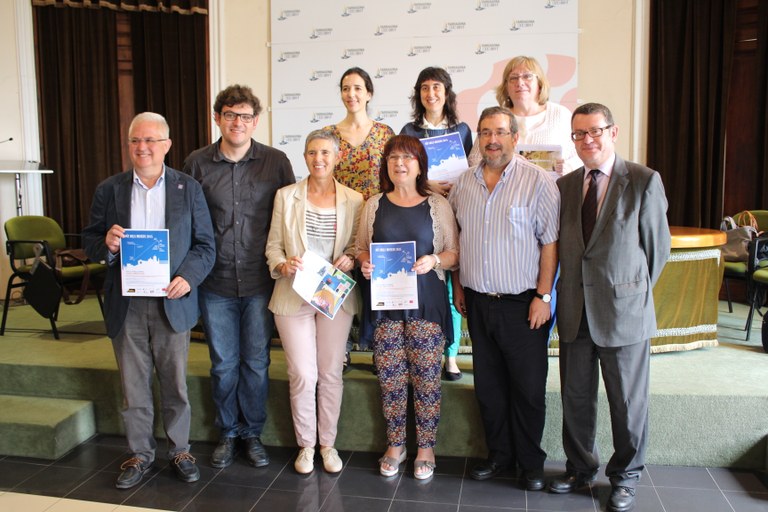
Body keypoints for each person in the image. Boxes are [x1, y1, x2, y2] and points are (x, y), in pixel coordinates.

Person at [82, 112, 216, 489]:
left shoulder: (188, 188)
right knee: (134, 385)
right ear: (129, 145)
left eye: (150, 140)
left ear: (167, 145)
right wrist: (107, 246)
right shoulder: (109, 189)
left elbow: (206, 245)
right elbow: (89, 240)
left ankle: (180, 450)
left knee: (175, 384)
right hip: (127, 303)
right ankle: (139, 454)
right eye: (135, 140)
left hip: (171, 301)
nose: (142, 147)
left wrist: (187, 278)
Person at [548, 103, 671, 512]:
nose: (587, 140)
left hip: (623, 314)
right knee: (576, 399)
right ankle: (580, 469)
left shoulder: (643, 180)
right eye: (579, 133)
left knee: (628, 404)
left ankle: (626, 477)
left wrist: (628, 293)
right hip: (575, 311)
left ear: (612, 132)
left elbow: (657, 252)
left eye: (595, 131)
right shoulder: (565, 186)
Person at [183, 84, 295, 469]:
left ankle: (252, 433)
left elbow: (290, 217)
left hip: (260, 281)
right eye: (230, 115)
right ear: (218, 118)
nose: (237, 122)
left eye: (245, 116)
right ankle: (228, 432)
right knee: (223, 364)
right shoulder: (196, 164)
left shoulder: (276, 162)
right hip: (214, 283)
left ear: (256, 121)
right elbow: (187, 222)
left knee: (257, 363)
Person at [449, 106, 559, 491]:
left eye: (499, 132)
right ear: (478, 139)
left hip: (523, 305)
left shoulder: (538, 181)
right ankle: (499, 456)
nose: (492, 140)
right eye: (485, 132)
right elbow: (458, 241)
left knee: (528, 389)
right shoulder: (463, 184)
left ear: (515, 137)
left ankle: (530, 464)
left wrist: (544, 295)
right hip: (478, 302)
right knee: (490, 388)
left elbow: (550, 243)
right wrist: (459, 288)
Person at [356, 135, 459, 480]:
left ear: (419, 165)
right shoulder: (373, 205)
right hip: (385, 307)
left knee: (427, 378)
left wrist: (434, 260)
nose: (399, 163)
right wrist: (365, 262)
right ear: (385, 165)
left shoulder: (437, 205)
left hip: (426, 305)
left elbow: (454, 254)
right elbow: (360, 247)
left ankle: (426, 448)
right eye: (392, 158)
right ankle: (396, 445)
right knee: (391, 378)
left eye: (407, 158)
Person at [265, 130, 363, 474]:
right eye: (311, 152)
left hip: (333, 297)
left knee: (330, 373)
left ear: (337, 157)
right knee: (303, 374)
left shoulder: (354, 199)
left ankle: (328, 445)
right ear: (304, 156)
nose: (318, 159)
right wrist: (282, 264)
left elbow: (357, 245)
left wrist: (351, 257)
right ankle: (306, 445)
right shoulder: (286, 195)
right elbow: (273, 246)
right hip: (294, 295)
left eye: (324, 152)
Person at [400, 66, 472, 380]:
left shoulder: (464, 130)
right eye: (425, 87)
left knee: (454, 288)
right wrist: (427, 184)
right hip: (422, 214)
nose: (431, 93)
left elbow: (472, 171)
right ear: (418, 94)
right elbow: (403, 171)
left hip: (456, 213)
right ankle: (420, 352)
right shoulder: (408, 129)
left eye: (437, 87)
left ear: (447, 92)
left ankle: (451, 356)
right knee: (425, 283)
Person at [323, 67, 395, 361]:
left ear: (369, 94)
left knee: (375, 285)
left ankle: (381, 351)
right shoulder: (328, 134)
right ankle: (339, 349)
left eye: (357, 88)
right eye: (345, 88)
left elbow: (393, 176)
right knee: (339, 278)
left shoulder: (384, 133)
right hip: (338, 220)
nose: (350, 94)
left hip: (377, 220)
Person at [468, 56, 581, 175]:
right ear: (506, 87)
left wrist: (568, 167)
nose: (520, 82)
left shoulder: (561, 115)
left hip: (553, 185)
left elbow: (581, 154)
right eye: (513, 78)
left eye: (527, 76)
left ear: (539, 83)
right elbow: (475, 160)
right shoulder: (495, 118)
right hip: (504, 186)